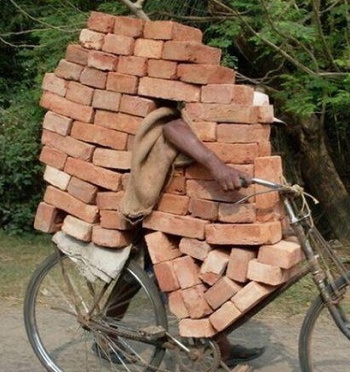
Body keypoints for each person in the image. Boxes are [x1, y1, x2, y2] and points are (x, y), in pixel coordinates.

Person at [94, 115, 265, 368]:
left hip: (182, 215)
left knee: (185, 276)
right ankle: (105, 335)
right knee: (158, 275)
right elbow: (171, 128)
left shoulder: (223, 130)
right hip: (156, 208)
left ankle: (220, 347)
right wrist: (216, 165)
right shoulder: (180, 116)